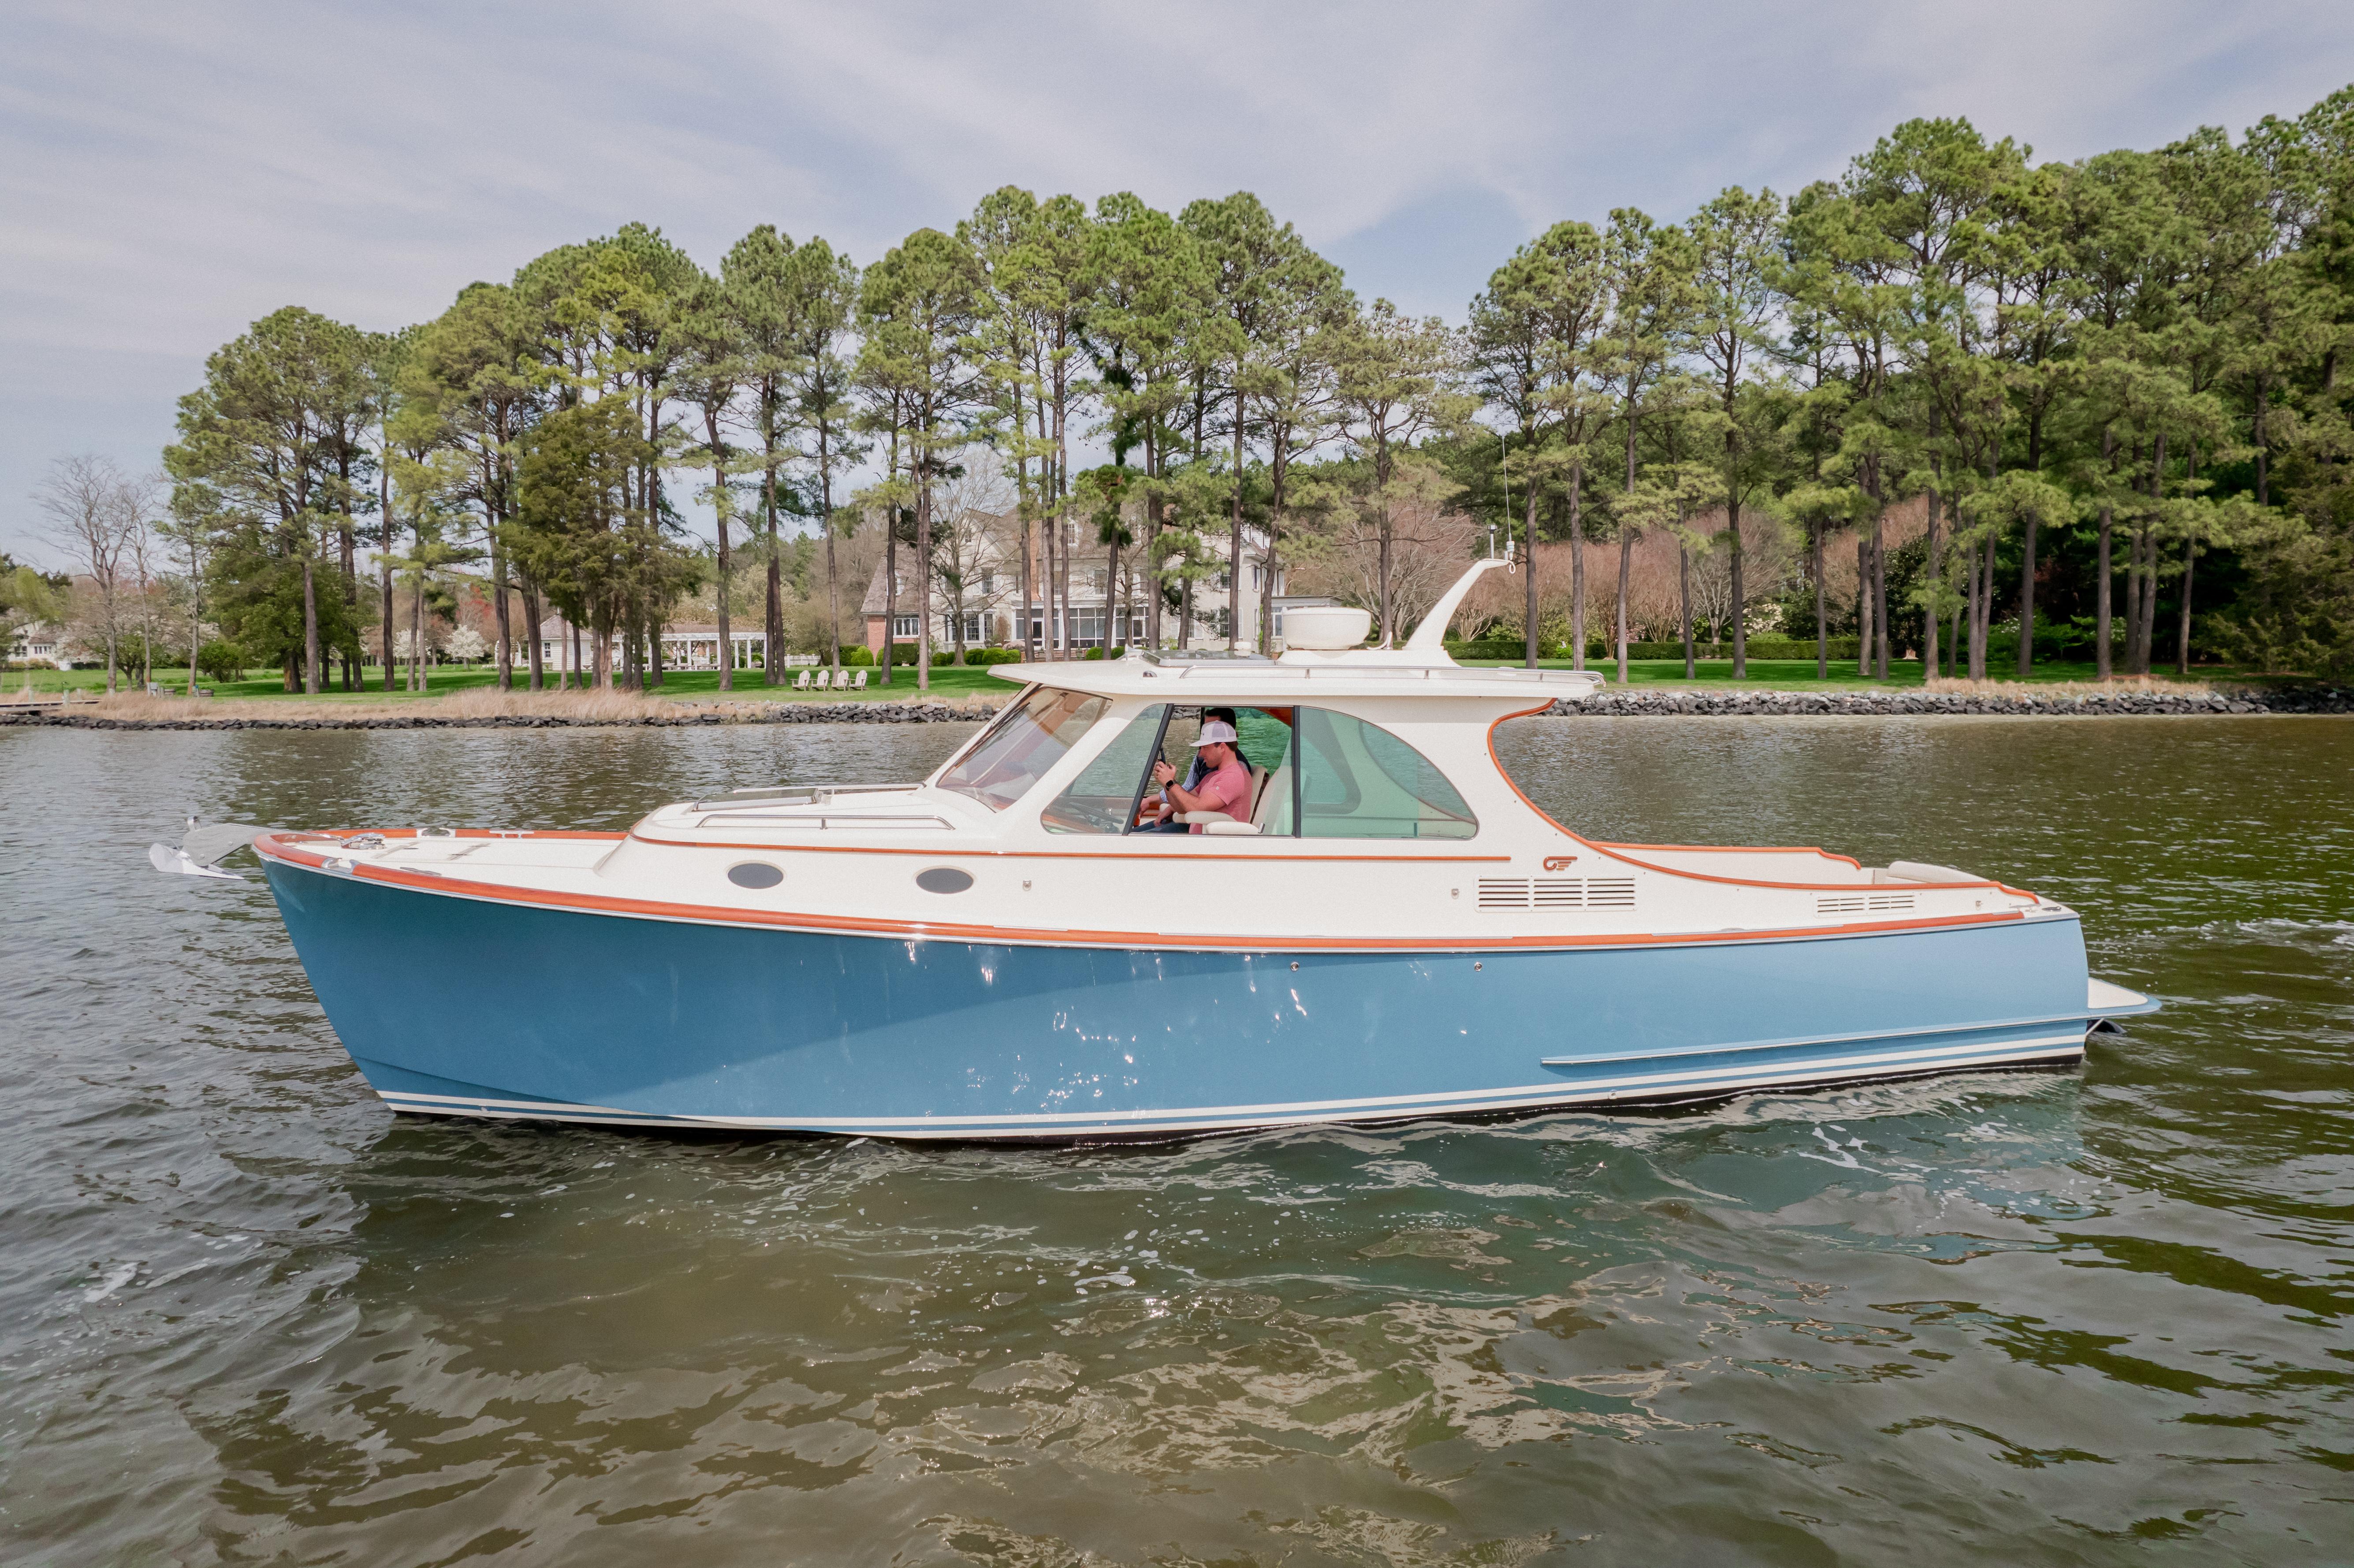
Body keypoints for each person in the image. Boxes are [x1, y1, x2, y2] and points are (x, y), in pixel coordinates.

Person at [1139, 708, 1237, 832]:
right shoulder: (1211, 776)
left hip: (1206, 840)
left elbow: (1195, 807)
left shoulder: (1232, 777)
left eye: (1205, 747)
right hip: (1196, 834)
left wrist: (1170, 782)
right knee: (1135, 835)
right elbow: (1181, 808)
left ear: (1222, 747)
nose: (1200, 754)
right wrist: (1167, 783)